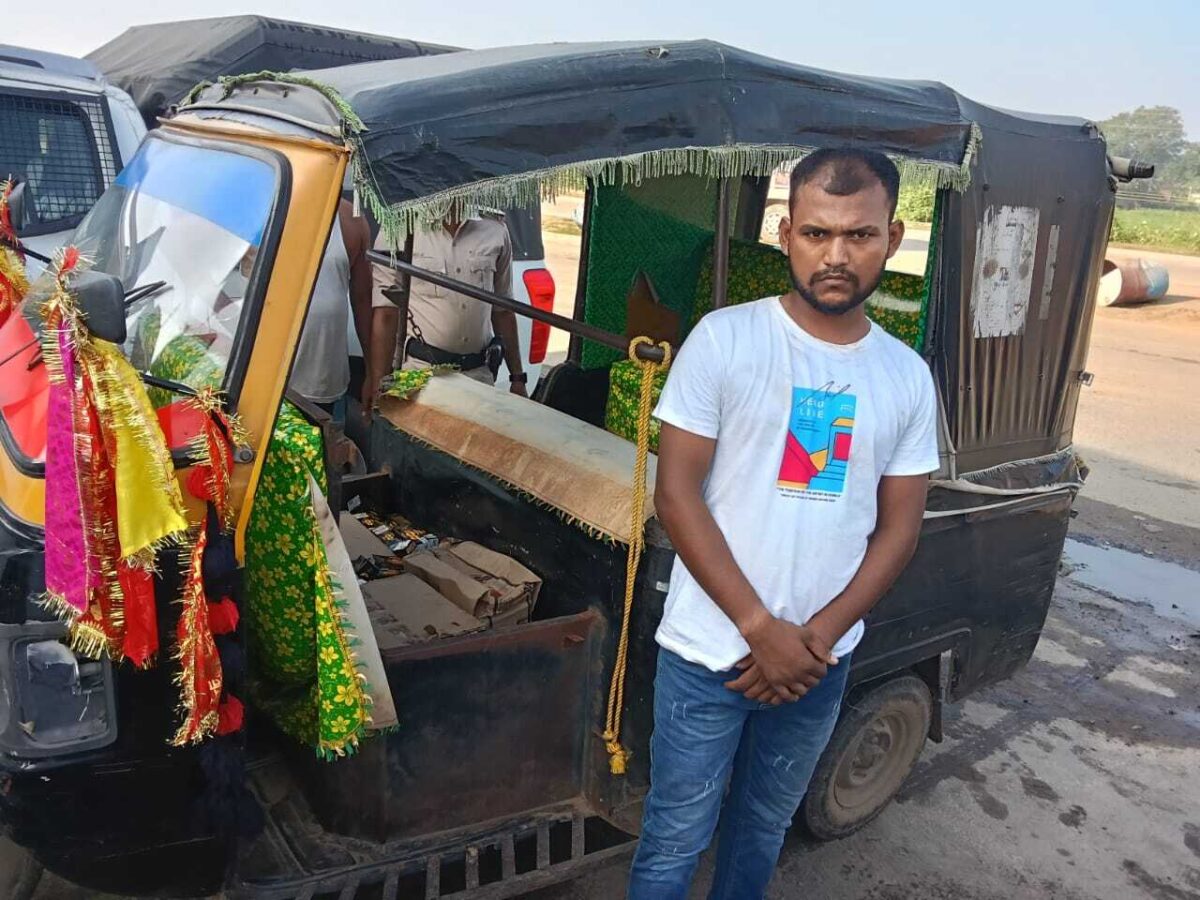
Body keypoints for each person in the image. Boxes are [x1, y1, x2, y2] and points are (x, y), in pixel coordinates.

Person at [628, 148, 939, 899]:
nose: (836, 256)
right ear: (785, 233)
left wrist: (815, 641)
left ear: (892, 239)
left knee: (761, 830)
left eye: (859, 235)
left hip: (817, 668)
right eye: (816, 233)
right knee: (674, 838)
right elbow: (676, 495)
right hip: (709, 652)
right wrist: (759, 630)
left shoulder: (905, 375)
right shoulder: (725, 339)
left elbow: (899, 530)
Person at [368, 212, 528, 398]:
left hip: (478, 378)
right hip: (418, 376)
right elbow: (386, 313)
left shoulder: (495, 229)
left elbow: (503, 311)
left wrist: (517, 378)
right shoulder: (398, 228)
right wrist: (377, 385)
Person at [289, 199, 373, 422]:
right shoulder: (261, 204)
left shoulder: (350, 217)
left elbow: (363, 299)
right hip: (263, 378)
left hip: (322, 378)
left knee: (325, 442)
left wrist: (373, 372)